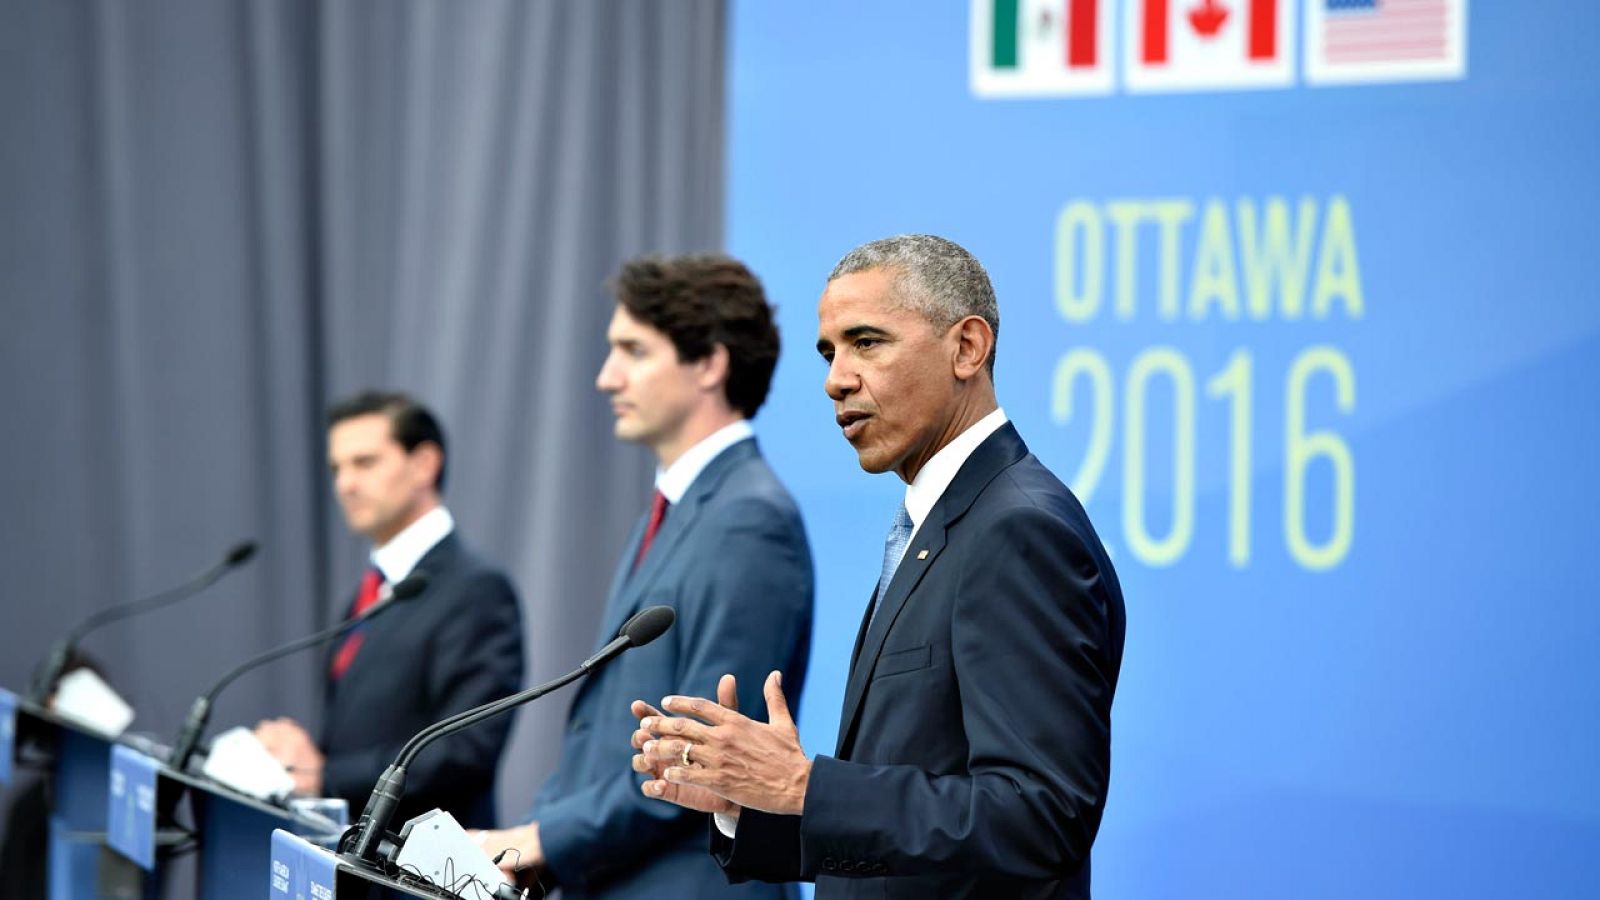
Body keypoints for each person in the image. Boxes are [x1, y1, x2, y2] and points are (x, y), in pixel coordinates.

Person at [629, 235, 1126, 898]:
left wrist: (807, 785)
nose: (836, 378)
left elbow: (1039, 817)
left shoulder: (1017, 527)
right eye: (829, 352)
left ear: (967, 348)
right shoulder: (938, 523)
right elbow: (897, 824)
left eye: (867, 342)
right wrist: (747, 803)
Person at [474, 255, 814, 899]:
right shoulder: (681, 509)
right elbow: (601, 740)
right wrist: (528, 836)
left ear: (710, 365)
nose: (607, 378)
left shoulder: (749, 521)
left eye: (633, 350)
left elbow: (705, 753)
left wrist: (541, 838)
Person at [255, 391, 523, 829]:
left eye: (364, 463)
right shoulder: (374, 588)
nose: (345, 484)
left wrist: (324, 775)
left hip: (418, 870)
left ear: (423, 464)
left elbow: (463, 750)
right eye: (337, 468)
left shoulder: (476, 588)